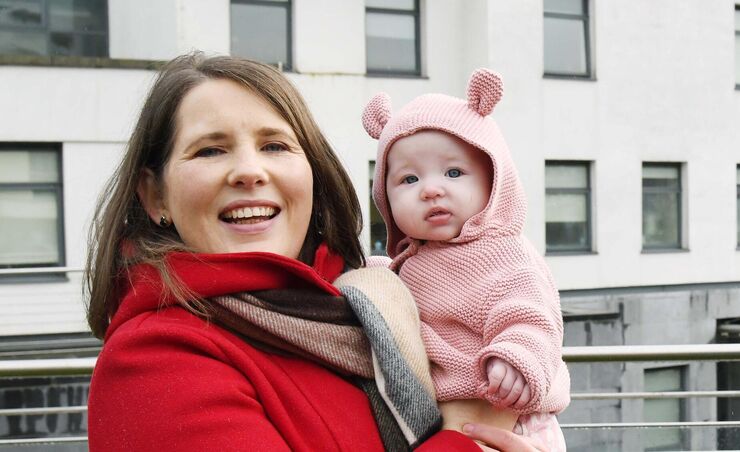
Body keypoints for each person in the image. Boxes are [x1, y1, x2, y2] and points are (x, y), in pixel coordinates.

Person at [84, 53, 543, 451]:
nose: (249, 171)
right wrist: (469, 436)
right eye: (209, 151)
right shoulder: (152, 363)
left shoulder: (366, 302)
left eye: (274, 145)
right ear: (155, 196)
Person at [362, 68, 571, 450]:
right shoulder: (411, 262)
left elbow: (531, 317)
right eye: (409, 179)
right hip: (440, 422)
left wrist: (516, 359)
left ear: (494, 180)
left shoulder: (504, 253)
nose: (431, 189)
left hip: (510, 418)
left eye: (454, 172)